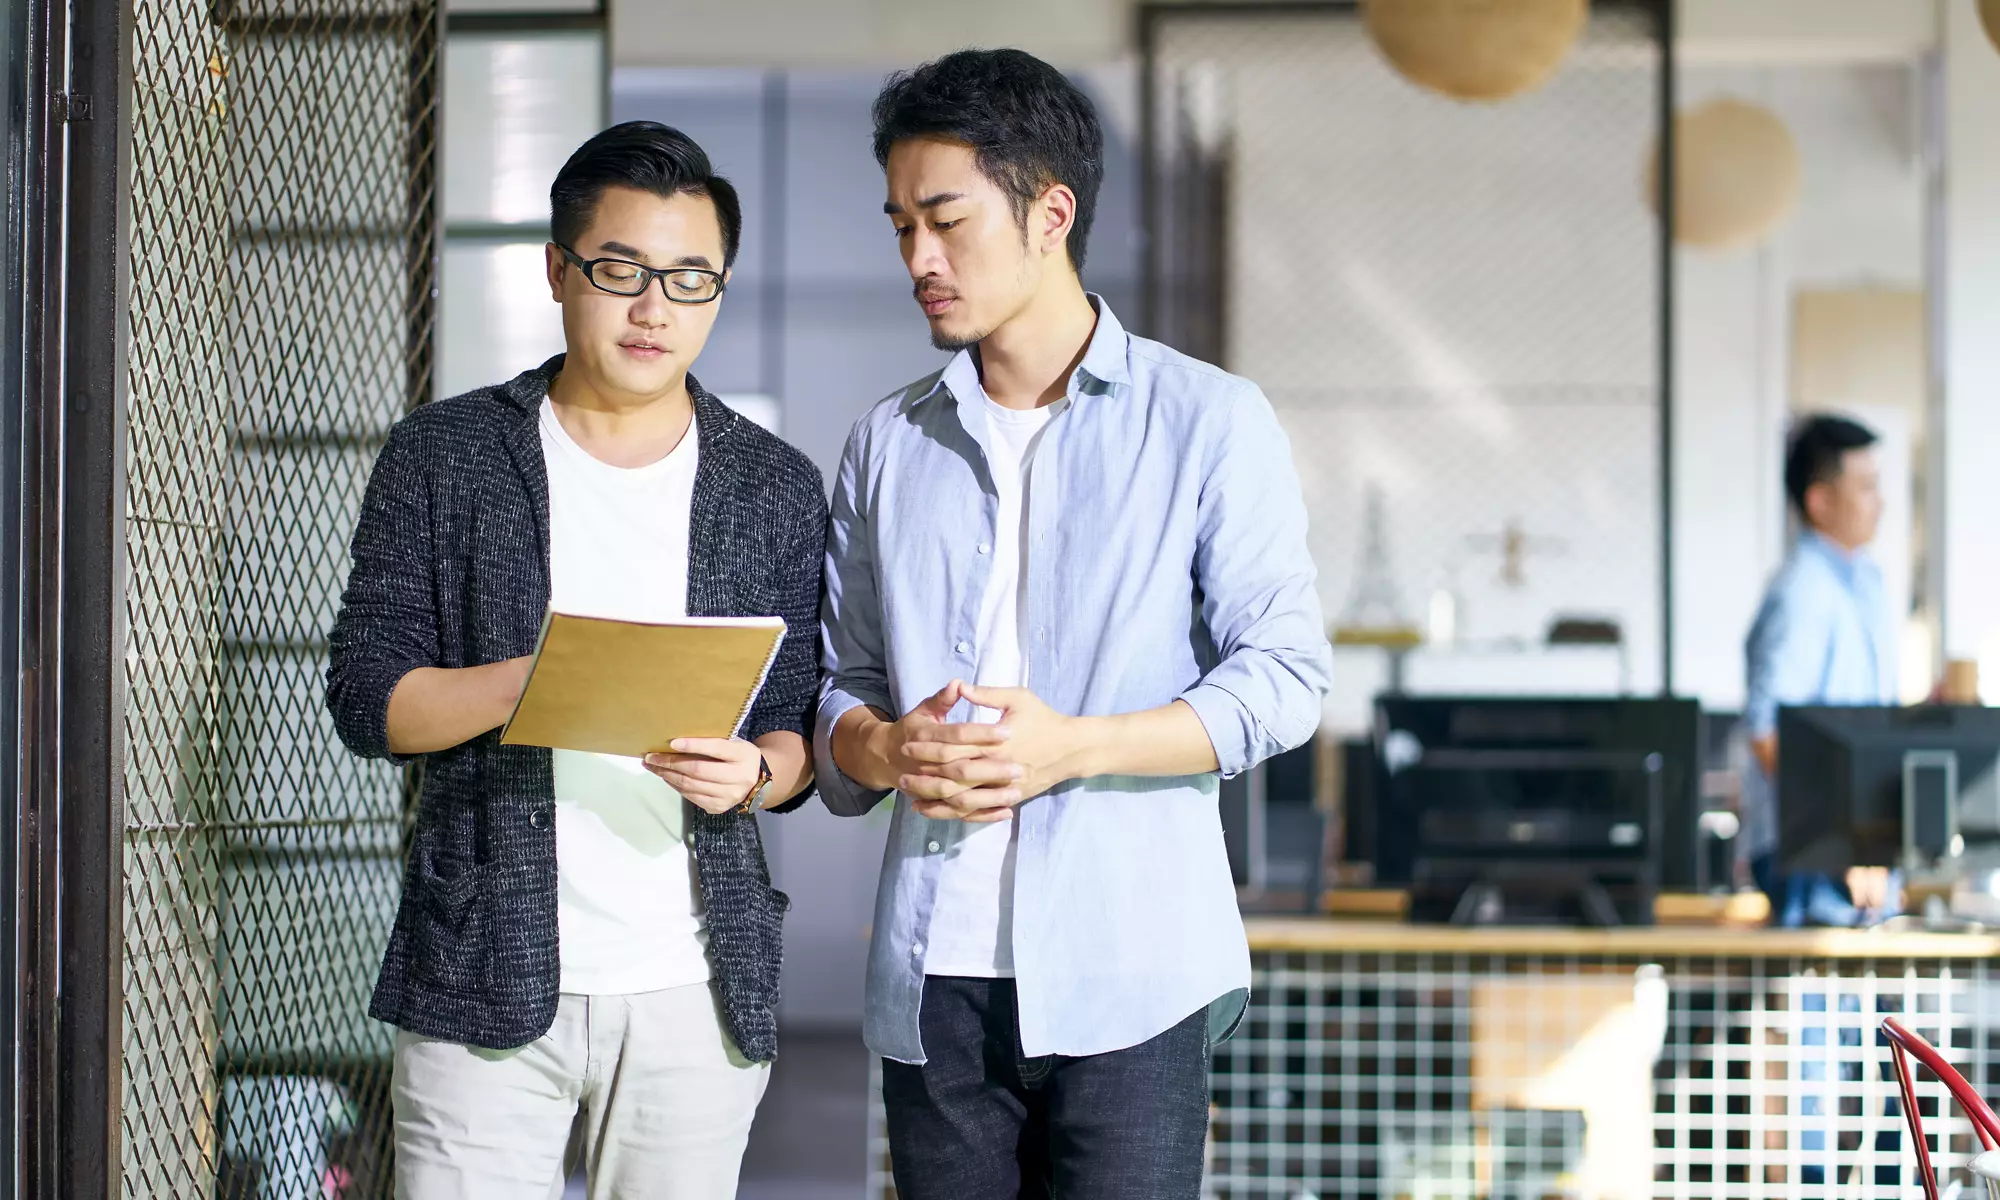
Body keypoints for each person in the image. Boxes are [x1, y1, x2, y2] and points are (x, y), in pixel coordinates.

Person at [815, 49, 1333, 1200]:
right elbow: (836, 690)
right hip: (931, 980)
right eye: (900, 224)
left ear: (1050, 212)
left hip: (1131, 970)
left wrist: (1075, 746)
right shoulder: (885, 446)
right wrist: (887, 748)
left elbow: (1287, 677)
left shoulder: (1207, 421)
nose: (917, 259)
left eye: (944, 221)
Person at [325, 121, 826, 1198]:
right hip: (478, 977)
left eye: (690, 280)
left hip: (695, 986)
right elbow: (370, 704)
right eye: (621, 270)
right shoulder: (447, 455)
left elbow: (796, 732)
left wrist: (758, 774)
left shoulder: (771, 484)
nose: (654, 309)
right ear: (559, 270)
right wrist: (541, 680)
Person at [1742, 413, 1898, 927]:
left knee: (1878, 1007)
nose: (1881, 502)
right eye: (1867, 487)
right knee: (1828, 1007)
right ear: (1820, 501)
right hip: (1817, 856)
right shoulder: (1805, 591)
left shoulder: (1863, 582)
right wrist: (1844, 845)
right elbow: (1768, 733)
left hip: (1858, 845)